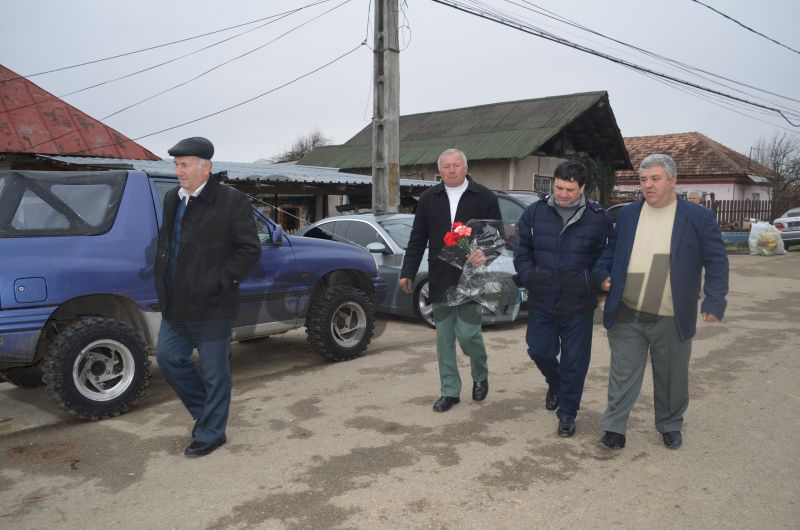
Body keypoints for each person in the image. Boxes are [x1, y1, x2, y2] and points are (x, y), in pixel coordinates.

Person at [595, 153, 728, 450]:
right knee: (622, 373)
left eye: (655, 178)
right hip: (628, 308)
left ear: (673, 180)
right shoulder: (629, 214)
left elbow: (716, 261)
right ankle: (614, 427)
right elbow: (611, 251)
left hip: (671, 311)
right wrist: (602, 275)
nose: (648, 185)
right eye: (643, 179)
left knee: (671, 375)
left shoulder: (697, 217)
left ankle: (669, 423)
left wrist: (714, 300)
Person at [154, 137, 261, 457]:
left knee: (216, 374)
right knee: (169, 358)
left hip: (213, 304)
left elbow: (249, 249)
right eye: (176, 165)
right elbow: (168, 243)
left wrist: (218, 280)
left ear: (206, 168)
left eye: (184, 165)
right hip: (176, 301)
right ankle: (206, 413)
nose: (178, 171)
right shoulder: (172, 198)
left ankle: (212, 432)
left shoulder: (231, 201)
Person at [513, 161, 613, 437]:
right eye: (558, 188)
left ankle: (567, 414)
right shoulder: (534, 213)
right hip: (542, 297)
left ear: (582, 188)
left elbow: (606, 254)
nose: (563, 194)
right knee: (539, 350)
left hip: (579, 302)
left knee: (575, 362)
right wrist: (530, 276)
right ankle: (555, 383)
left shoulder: (599, 217)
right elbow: (522, 250)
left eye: (569, 189)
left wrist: (594, 279)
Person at [400, 148, 501, 412]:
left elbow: (496, 236)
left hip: (471, 278)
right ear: (440, 171)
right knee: (444, 338)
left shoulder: (484, 197)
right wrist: (408, 271)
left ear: (466, 168)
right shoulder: (428, 199)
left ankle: (480, 374)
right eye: (446, 166)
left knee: (468, 334)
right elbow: (417, 238)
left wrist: (485, 253)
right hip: (440, 276)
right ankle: (449, 390)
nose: (451, 170)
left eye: (456, 165)